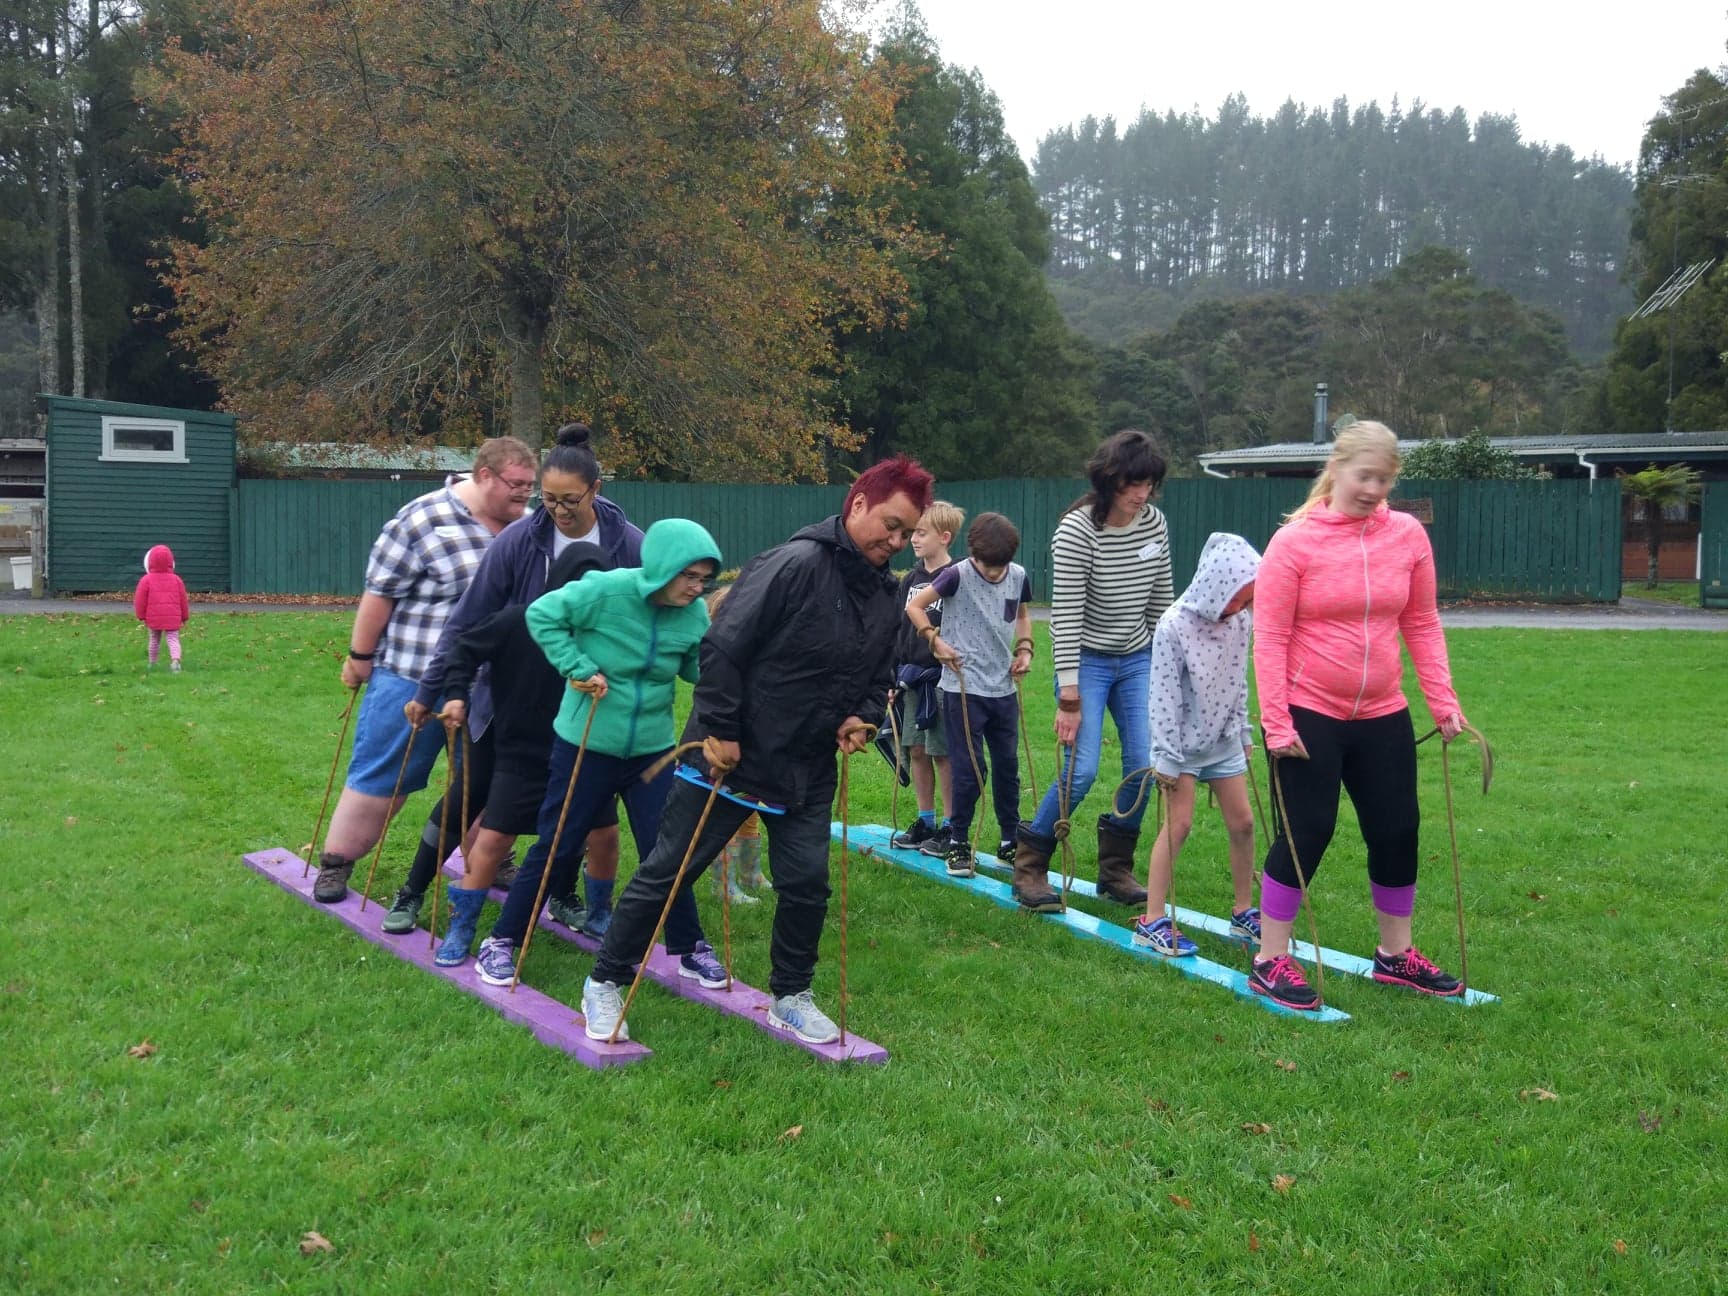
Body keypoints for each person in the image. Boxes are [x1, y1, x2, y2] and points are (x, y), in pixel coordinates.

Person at [578, 455, 934, 1045]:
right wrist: (720, 729)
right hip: (731, 758)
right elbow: (721, 648)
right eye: (890, 525)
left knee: (806, 885)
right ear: (859, 504)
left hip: (807, 767)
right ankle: (605, 981)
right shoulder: (793, 564)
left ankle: (791, 995)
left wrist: (863, 717)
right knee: (670, 871)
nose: (895, 541)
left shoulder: (883, 592)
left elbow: (879, 672)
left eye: (907, 532)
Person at [377, 424, 643, 936]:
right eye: (547, 498)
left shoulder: (627, 544)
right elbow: (468, 623)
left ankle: (564, 896)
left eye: (569, 500)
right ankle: (412, 892)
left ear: (596, 489)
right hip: (508, 701)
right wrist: (434, 691)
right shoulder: (521, 539)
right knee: (470, 797)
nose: (557, 511)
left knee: (575, 804)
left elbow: (651, 612)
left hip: (587, 703)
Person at [1248, 421, 1468, 1011]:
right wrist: (1276, 721)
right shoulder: (1294, 543)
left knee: (1398, 829)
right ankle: (1270, 957)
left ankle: (1395, 956)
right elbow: (1269, 637)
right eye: (1364, 475)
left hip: (1383, 714)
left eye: (1385, 478)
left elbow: (1421, 622)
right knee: (1307, 832)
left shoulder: (1406, 538)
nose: (1373, 488)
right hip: (1308, 712)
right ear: (1336, 469)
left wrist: (1443, 701)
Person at [472, 518, 725, 990]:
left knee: (666, 850)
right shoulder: (606, 592)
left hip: (651, 750)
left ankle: (689, 947)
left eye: (704, 580)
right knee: (558, 843)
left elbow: (694, 668)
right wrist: (578, 666)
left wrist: (722, 667)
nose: (697, 588)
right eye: (689, 576)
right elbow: (541, 615)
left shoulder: (692, 615)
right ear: (662, 567)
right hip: (586, 743)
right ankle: (502, 941)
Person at [311, 437, 536, 903]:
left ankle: (490, 862)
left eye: (529, 488)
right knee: (383, 779)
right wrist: (359, 656)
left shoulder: (528, 529)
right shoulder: (422, 519)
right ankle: (336, 864)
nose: (524, 496)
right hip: (413, 677)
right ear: (484, 475)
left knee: (488, 784)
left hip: (495, 690)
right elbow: (380, 593)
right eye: (516, 486)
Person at [1012, 429, 1174, 912]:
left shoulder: (1155, 524)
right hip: (1087, 659)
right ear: (1109, 480)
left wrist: (1167, 671)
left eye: (1148, 484)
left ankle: (1115, 870)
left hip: (1138, 656)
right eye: (1131, 484)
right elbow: (1066, 616)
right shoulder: (1078, 530)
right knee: (1080, 772)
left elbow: (1160, 602)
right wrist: (1069, 698)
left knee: (1144, 765)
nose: (1141, 494)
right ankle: (1031, 864)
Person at [427, 543, 609, 966]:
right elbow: (462, 650)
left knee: (604, 835)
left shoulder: (605, 635)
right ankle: (462, 927)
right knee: (492, 839)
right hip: (524, 753)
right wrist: (455, 694)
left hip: (586, 754)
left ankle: (599, 915)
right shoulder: (518, 621)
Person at [1132, 532, 1262, 956]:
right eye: (1236, 599)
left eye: (1248, 601)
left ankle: (1244, 910)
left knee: (1243, 823)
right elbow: (1163, 697)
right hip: (1182, 747)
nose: (1240, 609)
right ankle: (1152, 920)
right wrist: (1166, 758)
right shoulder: (1173, 627)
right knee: (1180, 825)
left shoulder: (1241, 621)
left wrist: (1242, 731)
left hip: (1222, 740)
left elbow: (1238, 679)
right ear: (1215, 586)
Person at [905, 512, 1033, 876]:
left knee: (1008, 769)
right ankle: (958, 841)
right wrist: (935, 640)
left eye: (1000, 565)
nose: (994, 573)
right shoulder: (956, 574)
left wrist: (1024, 650)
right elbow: (914, 607)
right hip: (962, 690)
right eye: (988, 565)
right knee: (970, 770)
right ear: (973, 553)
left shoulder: (1019, 576)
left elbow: (1022, 615)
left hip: (1003, 691)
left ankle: (1010, 840)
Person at [888, 502, 962, 854]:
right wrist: (892, 677)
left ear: (944, 537)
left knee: (943, 753)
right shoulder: (910, 581)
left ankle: (951, 827)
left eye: (921, 533)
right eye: (912, 532)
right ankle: (925, 820)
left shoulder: (957, 578)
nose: (913, 539)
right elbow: (899, 633)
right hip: (912, 681)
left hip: (945, 682)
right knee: (916, 750)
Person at [133, 545, 190, 672]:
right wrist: (184, 616)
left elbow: (140, 599)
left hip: (154, 616)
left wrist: (141, 615)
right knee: (173, 638)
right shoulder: (176, 580)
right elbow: (183, 599)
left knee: (154, 639)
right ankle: (175, 660)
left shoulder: (146, 580)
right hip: (173, 616)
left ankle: (152, 663)